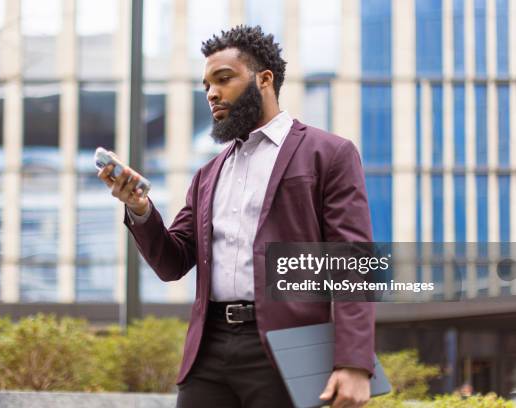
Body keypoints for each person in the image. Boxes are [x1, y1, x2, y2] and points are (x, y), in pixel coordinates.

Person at [98, 25, 375, 408]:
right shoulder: (208, 175)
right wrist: (140, 210)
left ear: (264, 79)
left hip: (287, 347)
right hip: (208, 350)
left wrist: (353, 362)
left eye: (223, 79)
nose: (212, 93)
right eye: (206, 84)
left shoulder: (328, 154)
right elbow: (172, 262)